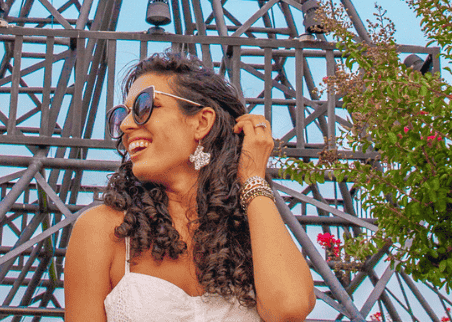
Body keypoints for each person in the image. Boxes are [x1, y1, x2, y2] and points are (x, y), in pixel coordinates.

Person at [64, 51, 316, 322]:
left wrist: (253, 178)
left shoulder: (248, 232)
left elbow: (290, 307)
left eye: (143, 107)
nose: (126, 125)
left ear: (202, 122)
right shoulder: (104, 230)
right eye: (122, 115)